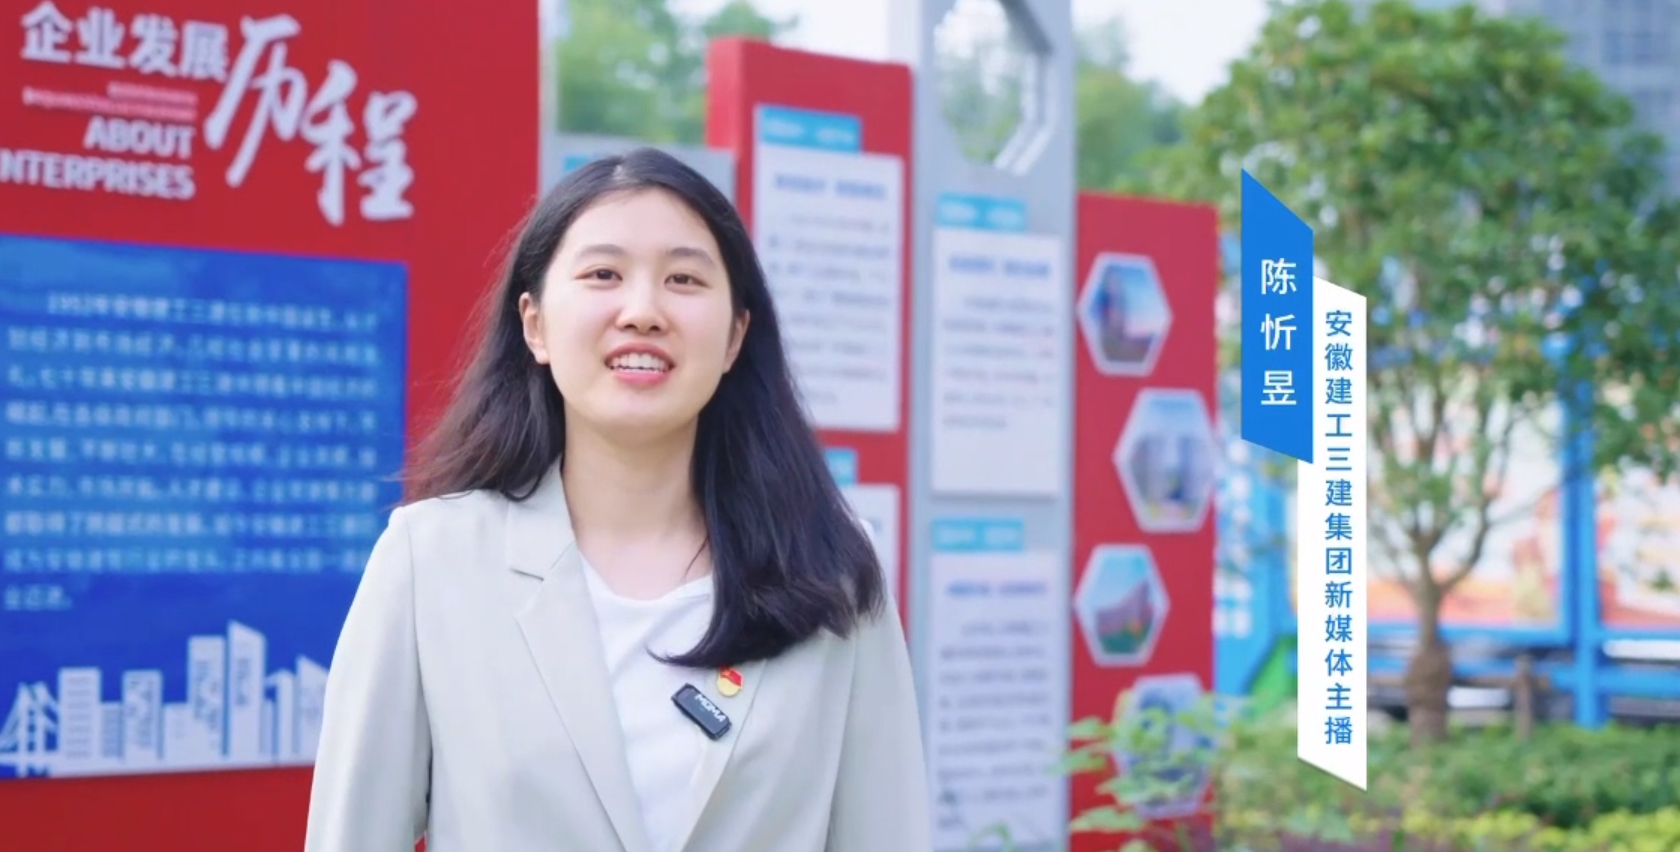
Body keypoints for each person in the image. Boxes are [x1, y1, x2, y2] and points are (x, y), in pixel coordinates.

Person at [302, 148, 931, 852]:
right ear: (535, 324)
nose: (643, 312)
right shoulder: (432, 560)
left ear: (734, 335)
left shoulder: (830, 568)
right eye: (603, 274)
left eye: (684, 279)